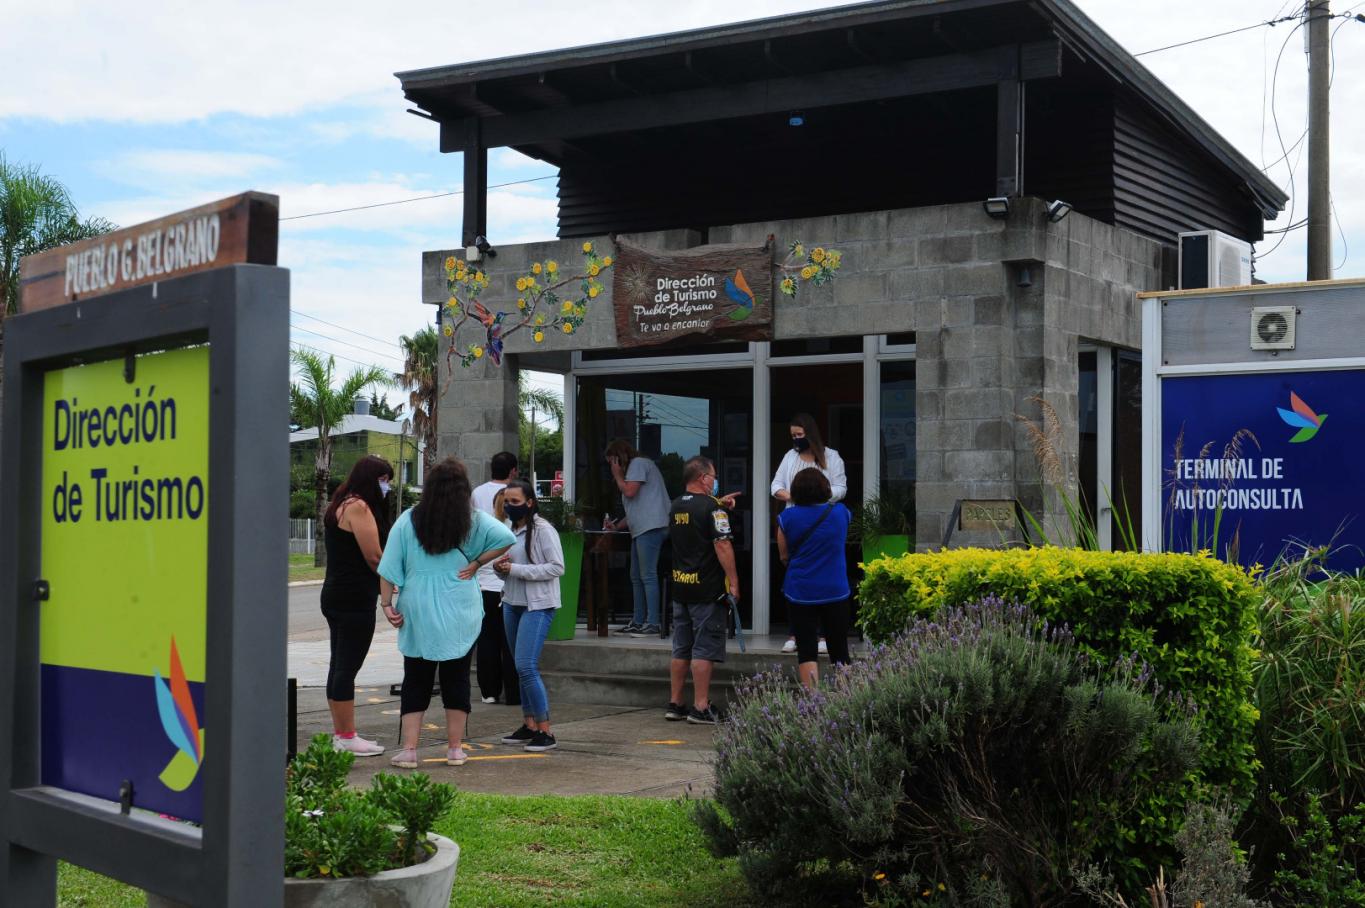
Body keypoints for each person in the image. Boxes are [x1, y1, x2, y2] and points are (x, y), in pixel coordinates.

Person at [378, 458, 515, 769]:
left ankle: (410, 750)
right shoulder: (473, 519)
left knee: (416, 678)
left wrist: (387, 604)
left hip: (418, 604)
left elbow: (387, 567)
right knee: (457, 677)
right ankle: (455, 749)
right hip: (460, 602)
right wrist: (478, 562)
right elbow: (507, 538)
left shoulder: (409, 519)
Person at [320, 455, 394, 757]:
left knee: (339, 665)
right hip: (354, 598)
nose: (387, 486)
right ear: (371, 479)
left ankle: (341, 735)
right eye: (384, 480)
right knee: (347, 667)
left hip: (335, 594)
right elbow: (375, 556)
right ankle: (347, 737)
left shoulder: (339, 503)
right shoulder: (359, 507)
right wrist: (396, 583)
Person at [491, 480, 565, 752]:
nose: (509, 506)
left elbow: (557, 567)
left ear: (530, 502)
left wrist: (516, 569)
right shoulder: (512, 531)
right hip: (512, 602)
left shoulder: (544, 530)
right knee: (519, 667)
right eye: (506, 501)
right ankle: (529, 724)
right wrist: (501, 569)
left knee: (526, 666)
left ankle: (546, 731)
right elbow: (509, 569)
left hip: (538, 605)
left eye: (515, 501)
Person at [665, 456, 740, 725]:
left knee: (681, 647)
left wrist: (719, 504)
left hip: (681, 586)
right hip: (707, 589)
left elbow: (694, 524)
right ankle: (700, 705)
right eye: (713, 476)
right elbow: (722, 545)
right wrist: (733, 581)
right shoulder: (713, 509)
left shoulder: (675, 506)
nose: (714, 481)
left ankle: (675, 702)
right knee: (704, 648)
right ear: (702, 478)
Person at [770, 412, 847, 655]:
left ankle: (825, 635)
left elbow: (840, 488)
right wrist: (795, 496)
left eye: (800, 435)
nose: (796, 440)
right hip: (796, 522)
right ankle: (795, 633)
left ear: (810, 434)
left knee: (823, 576)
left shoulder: (831, 457)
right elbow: (776, 486)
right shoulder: (790, 457)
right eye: (792, 435)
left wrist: (816, 496)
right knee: (796, 576)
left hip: (822, 520)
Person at [776, 468, 852, 689]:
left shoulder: (786, 518)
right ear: (825, 488)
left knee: (807, 648)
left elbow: (783, 556)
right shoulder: (840, 513)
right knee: (839, 647)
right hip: (835, 590)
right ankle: (847, 700)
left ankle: (812, 702)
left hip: (800, 591)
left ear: (796, 491)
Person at [604, 439, 673, 637]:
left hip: (651, 527)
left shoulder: (639, 464)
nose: (611, 467)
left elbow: (630, 491)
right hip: (642, 528)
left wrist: (618, 476)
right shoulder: (637, 469)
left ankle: (652, 622)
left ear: (618, 458)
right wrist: (616, 527)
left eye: (611, 462)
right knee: (636, 576)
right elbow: (635, 509)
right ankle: (638, 620)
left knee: (647, 575)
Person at [471, 451, 521, 705]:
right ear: (513, 470)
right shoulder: (518, 499)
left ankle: (489, 690)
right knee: (511, 639)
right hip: (509, 582)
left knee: (487, 637)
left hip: (482, 578)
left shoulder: (477, 493)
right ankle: (513, 693)